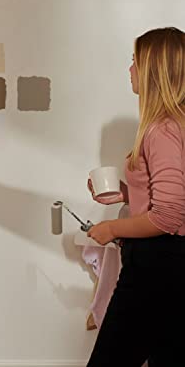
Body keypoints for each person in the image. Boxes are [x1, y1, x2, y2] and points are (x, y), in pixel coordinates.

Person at [86, 28, 185, 366]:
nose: (130, 70)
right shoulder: (175, 126)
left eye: (135, 62)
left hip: (157, 266)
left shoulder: (162, 131)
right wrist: (127, 194)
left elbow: (169, 216)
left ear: (154, 71)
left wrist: (111, 230)